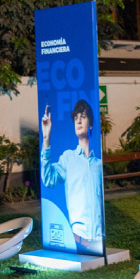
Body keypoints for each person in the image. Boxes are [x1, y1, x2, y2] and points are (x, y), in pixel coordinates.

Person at [41, 100, 104, 254]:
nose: (78, 121)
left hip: (100, 241)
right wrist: (46, 138)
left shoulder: (99, 164)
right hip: (77, 241)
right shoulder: (68, 158)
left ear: (90, 124)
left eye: (83, 116)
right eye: (76, 118)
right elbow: (48, 179)